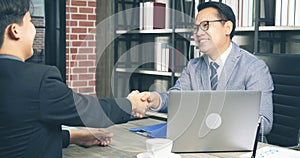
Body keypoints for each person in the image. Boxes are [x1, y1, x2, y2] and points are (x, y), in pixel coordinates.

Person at [0, 0, 148, 158]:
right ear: (15, 31)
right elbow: (88, 110)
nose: (34, 28)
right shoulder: (37, 80)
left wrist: (73, 137)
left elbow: (16, 133)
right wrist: (131, 104)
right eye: (30, 22)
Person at [138, 2, 274, 137]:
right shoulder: (193, 66)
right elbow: (178, 99)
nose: (198, 33)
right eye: (196, 28)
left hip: (240, 146)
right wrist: (155, 99)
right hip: (199, 140)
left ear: (227, 28)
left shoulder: (254, 67)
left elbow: (264, 123)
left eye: (205, 25)